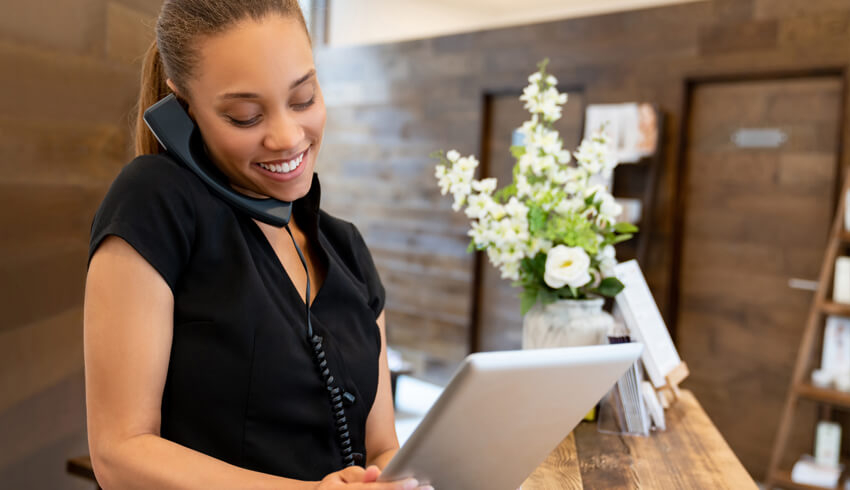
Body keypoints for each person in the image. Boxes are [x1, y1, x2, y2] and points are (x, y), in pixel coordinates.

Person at [83, 1, 429, 488]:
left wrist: (402, 477)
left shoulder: (346, 247)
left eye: (304, 98)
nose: (287, 138)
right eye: (245, 116)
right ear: (183, 109)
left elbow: (381, 446)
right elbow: (120, 454)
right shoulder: (155, 201)